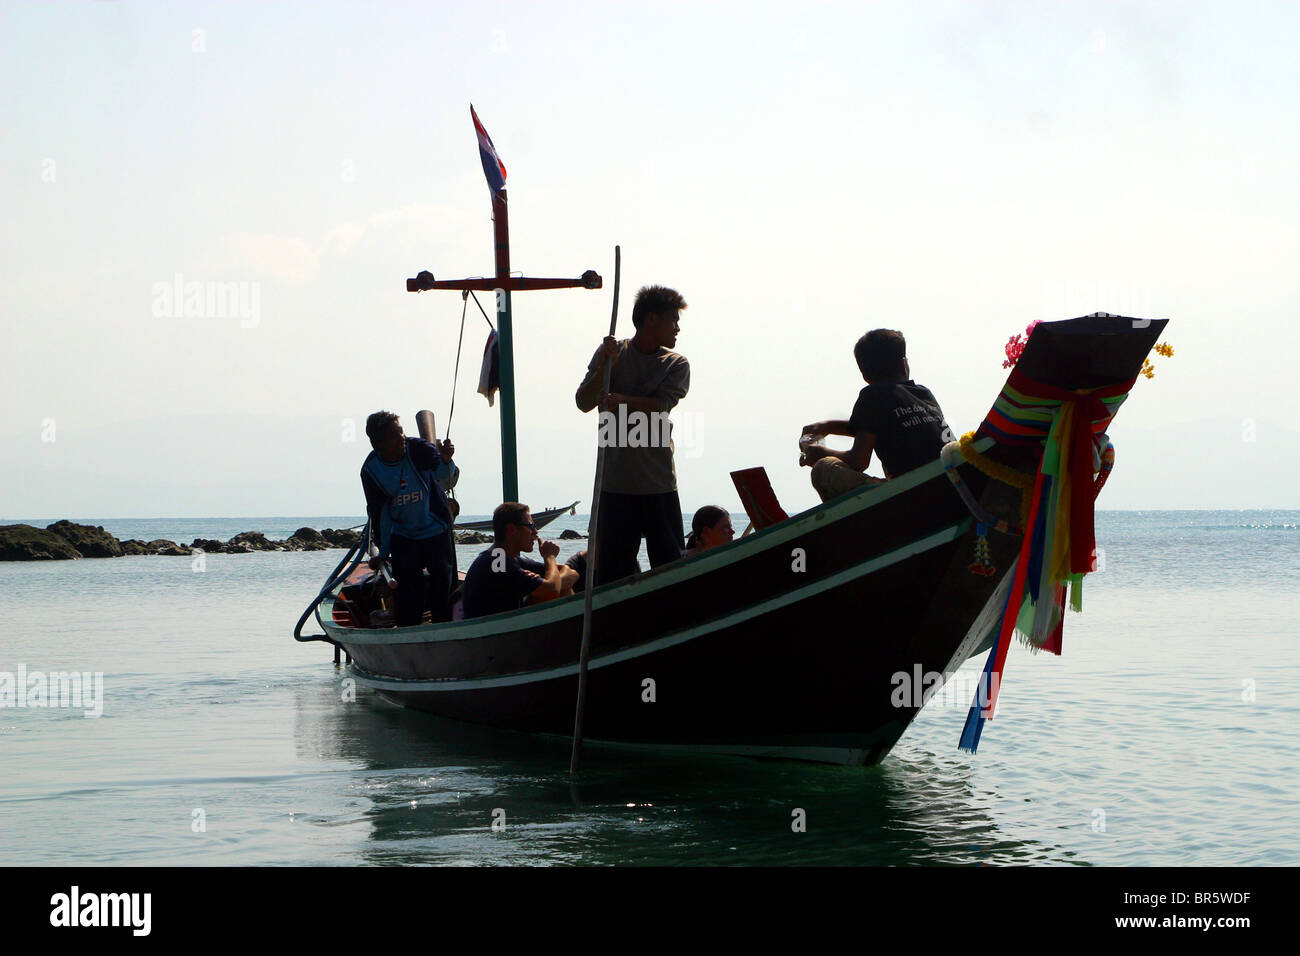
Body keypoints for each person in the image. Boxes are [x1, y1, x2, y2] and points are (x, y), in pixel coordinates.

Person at [575, 285, 690, 585]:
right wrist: (604, 363)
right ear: (651, 320)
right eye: (673, 320)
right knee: (612, 574)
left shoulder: (675, 363)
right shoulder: (612, 355)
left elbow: (661, 405)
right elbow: (584, 401)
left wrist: (620, 400)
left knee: (670, 569)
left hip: (659, 484)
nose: (677, 328)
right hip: (615, 485)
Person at [801, 329, 954, 502]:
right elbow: (883, 425)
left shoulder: (872, 395)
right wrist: (827, 426)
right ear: (904, 364)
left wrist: (820, 453)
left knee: (824, 469)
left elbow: (859, 461)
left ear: (865, 375)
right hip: (952, 484)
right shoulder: (923, 394)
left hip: (915, 495)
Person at [360, 411, 460, 626]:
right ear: (379, 445)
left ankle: (445, 630)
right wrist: (383, 552)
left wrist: (445, 459)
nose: (402, 438)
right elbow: (379, 513)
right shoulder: (371, 471)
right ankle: (409, 634)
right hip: (403, 535)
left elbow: (446, 478)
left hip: (437, 528)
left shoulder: (418, 449)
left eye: (402, 432)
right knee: (407, 594)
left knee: (443, 585)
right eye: (395, 436)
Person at [461, 503, 579, 618]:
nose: (536, 532)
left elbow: (572, 573)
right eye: (531, 526)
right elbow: (552, 591)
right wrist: (550, 558)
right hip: (492, 634)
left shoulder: (509, 559)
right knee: (553, 590)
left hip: (509, 629)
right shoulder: (497, 563)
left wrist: (553, 583)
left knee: (558, 587)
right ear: (512, 529)